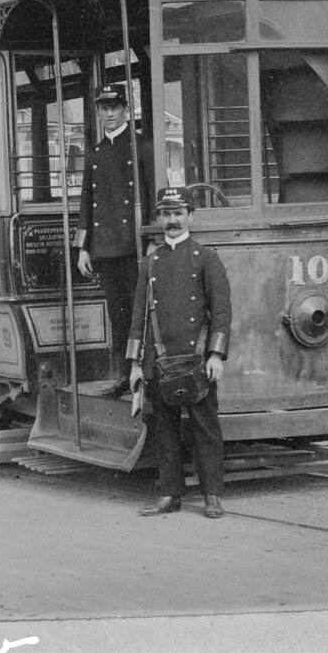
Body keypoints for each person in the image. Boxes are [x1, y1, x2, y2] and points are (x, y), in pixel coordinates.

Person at [128, 186, 232, 518]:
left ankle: (212, 494)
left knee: (205, 426)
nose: (172, 220)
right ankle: (170, 495)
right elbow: (138, 316)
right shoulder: (150, 263)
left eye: (178, 213)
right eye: (166, 214)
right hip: (159, 358)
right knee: (164, 428)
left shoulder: (207, 258)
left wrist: (215, 355)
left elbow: (222, 311)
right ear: (159, 218)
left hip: (197, 358)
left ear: (191, 216)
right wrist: (134, 365)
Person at [75, 84, 155, 396]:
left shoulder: (140, 146)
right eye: (103, 108)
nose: (109, 114)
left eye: (114, 107)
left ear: (125, 109)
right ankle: (125, 375)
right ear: (97, 112)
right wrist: (83, 247)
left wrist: (151, 238)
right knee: (117, 314)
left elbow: (151, 193)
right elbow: (87, 200)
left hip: (134, 245)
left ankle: (145, 374)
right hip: (105, 248)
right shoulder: (95, 152)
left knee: (140, 312)